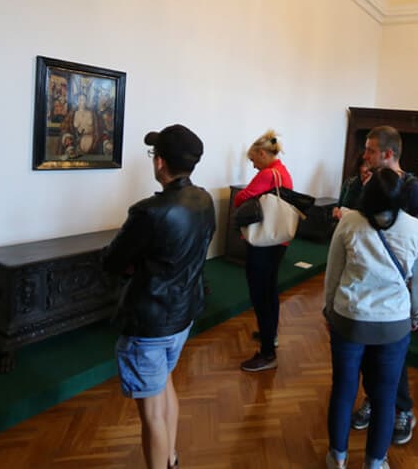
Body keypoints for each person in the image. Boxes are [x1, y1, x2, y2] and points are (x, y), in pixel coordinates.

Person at [102, 124, 215, 469]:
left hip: (149, 322)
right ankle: (171, 458)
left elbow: (112, 260)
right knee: (164, 387)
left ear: (161, 163)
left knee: (151, 412)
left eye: (155, 154)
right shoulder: (204, 199)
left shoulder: (148, 211)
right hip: (182, 315)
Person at [323, 169, 418, 469]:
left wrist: (327, 309)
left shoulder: (349, 222)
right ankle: (374, 463)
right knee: (385, 397)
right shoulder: (416, 229)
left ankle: (338, 457)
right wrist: (417, 315)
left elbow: (333, 273)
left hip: (349, 318)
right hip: (394, 323)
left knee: (344, 390)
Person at [351, 125, 418, 445]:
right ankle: (374, 399)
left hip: (398, 289)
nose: (365, 155)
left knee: (392, 356)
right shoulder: (371, 184)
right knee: (371, 354)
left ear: (387, 154)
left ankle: (403, 410)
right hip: (368, 287)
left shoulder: (413, 190)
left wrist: (415, 301)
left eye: (370, 150)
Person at [233, 129, 293, 372]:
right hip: (278, 241)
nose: (253, 166)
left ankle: (267, 353)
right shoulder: (283, 172)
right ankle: (271, 335)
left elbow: (241, 198)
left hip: (264, 242)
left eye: (253, 160)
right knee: (270, 289)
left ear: (261, 153)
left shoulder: (269, 174)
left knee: (260, 293)